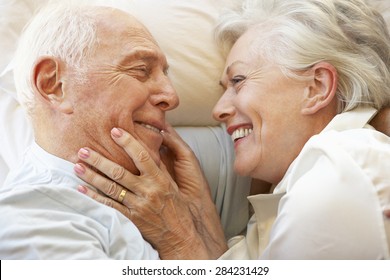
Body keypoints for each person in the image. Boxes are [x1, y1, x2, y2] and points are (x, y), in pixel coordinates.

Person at [75, 0, 390, 259]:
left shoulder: (338, 172)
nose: (218, 110)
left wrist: (179, 239)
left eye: (238, 81)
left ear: (316, 88)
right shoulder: (298, 188)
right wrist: (202, 221)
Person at [0, 2, 182, 259]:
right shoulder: (35, 218)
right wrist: (183, 242)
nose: (172, 97)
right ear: (54, 84)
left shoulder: (180, 180)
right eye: (141, 70)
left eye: (165, 74)